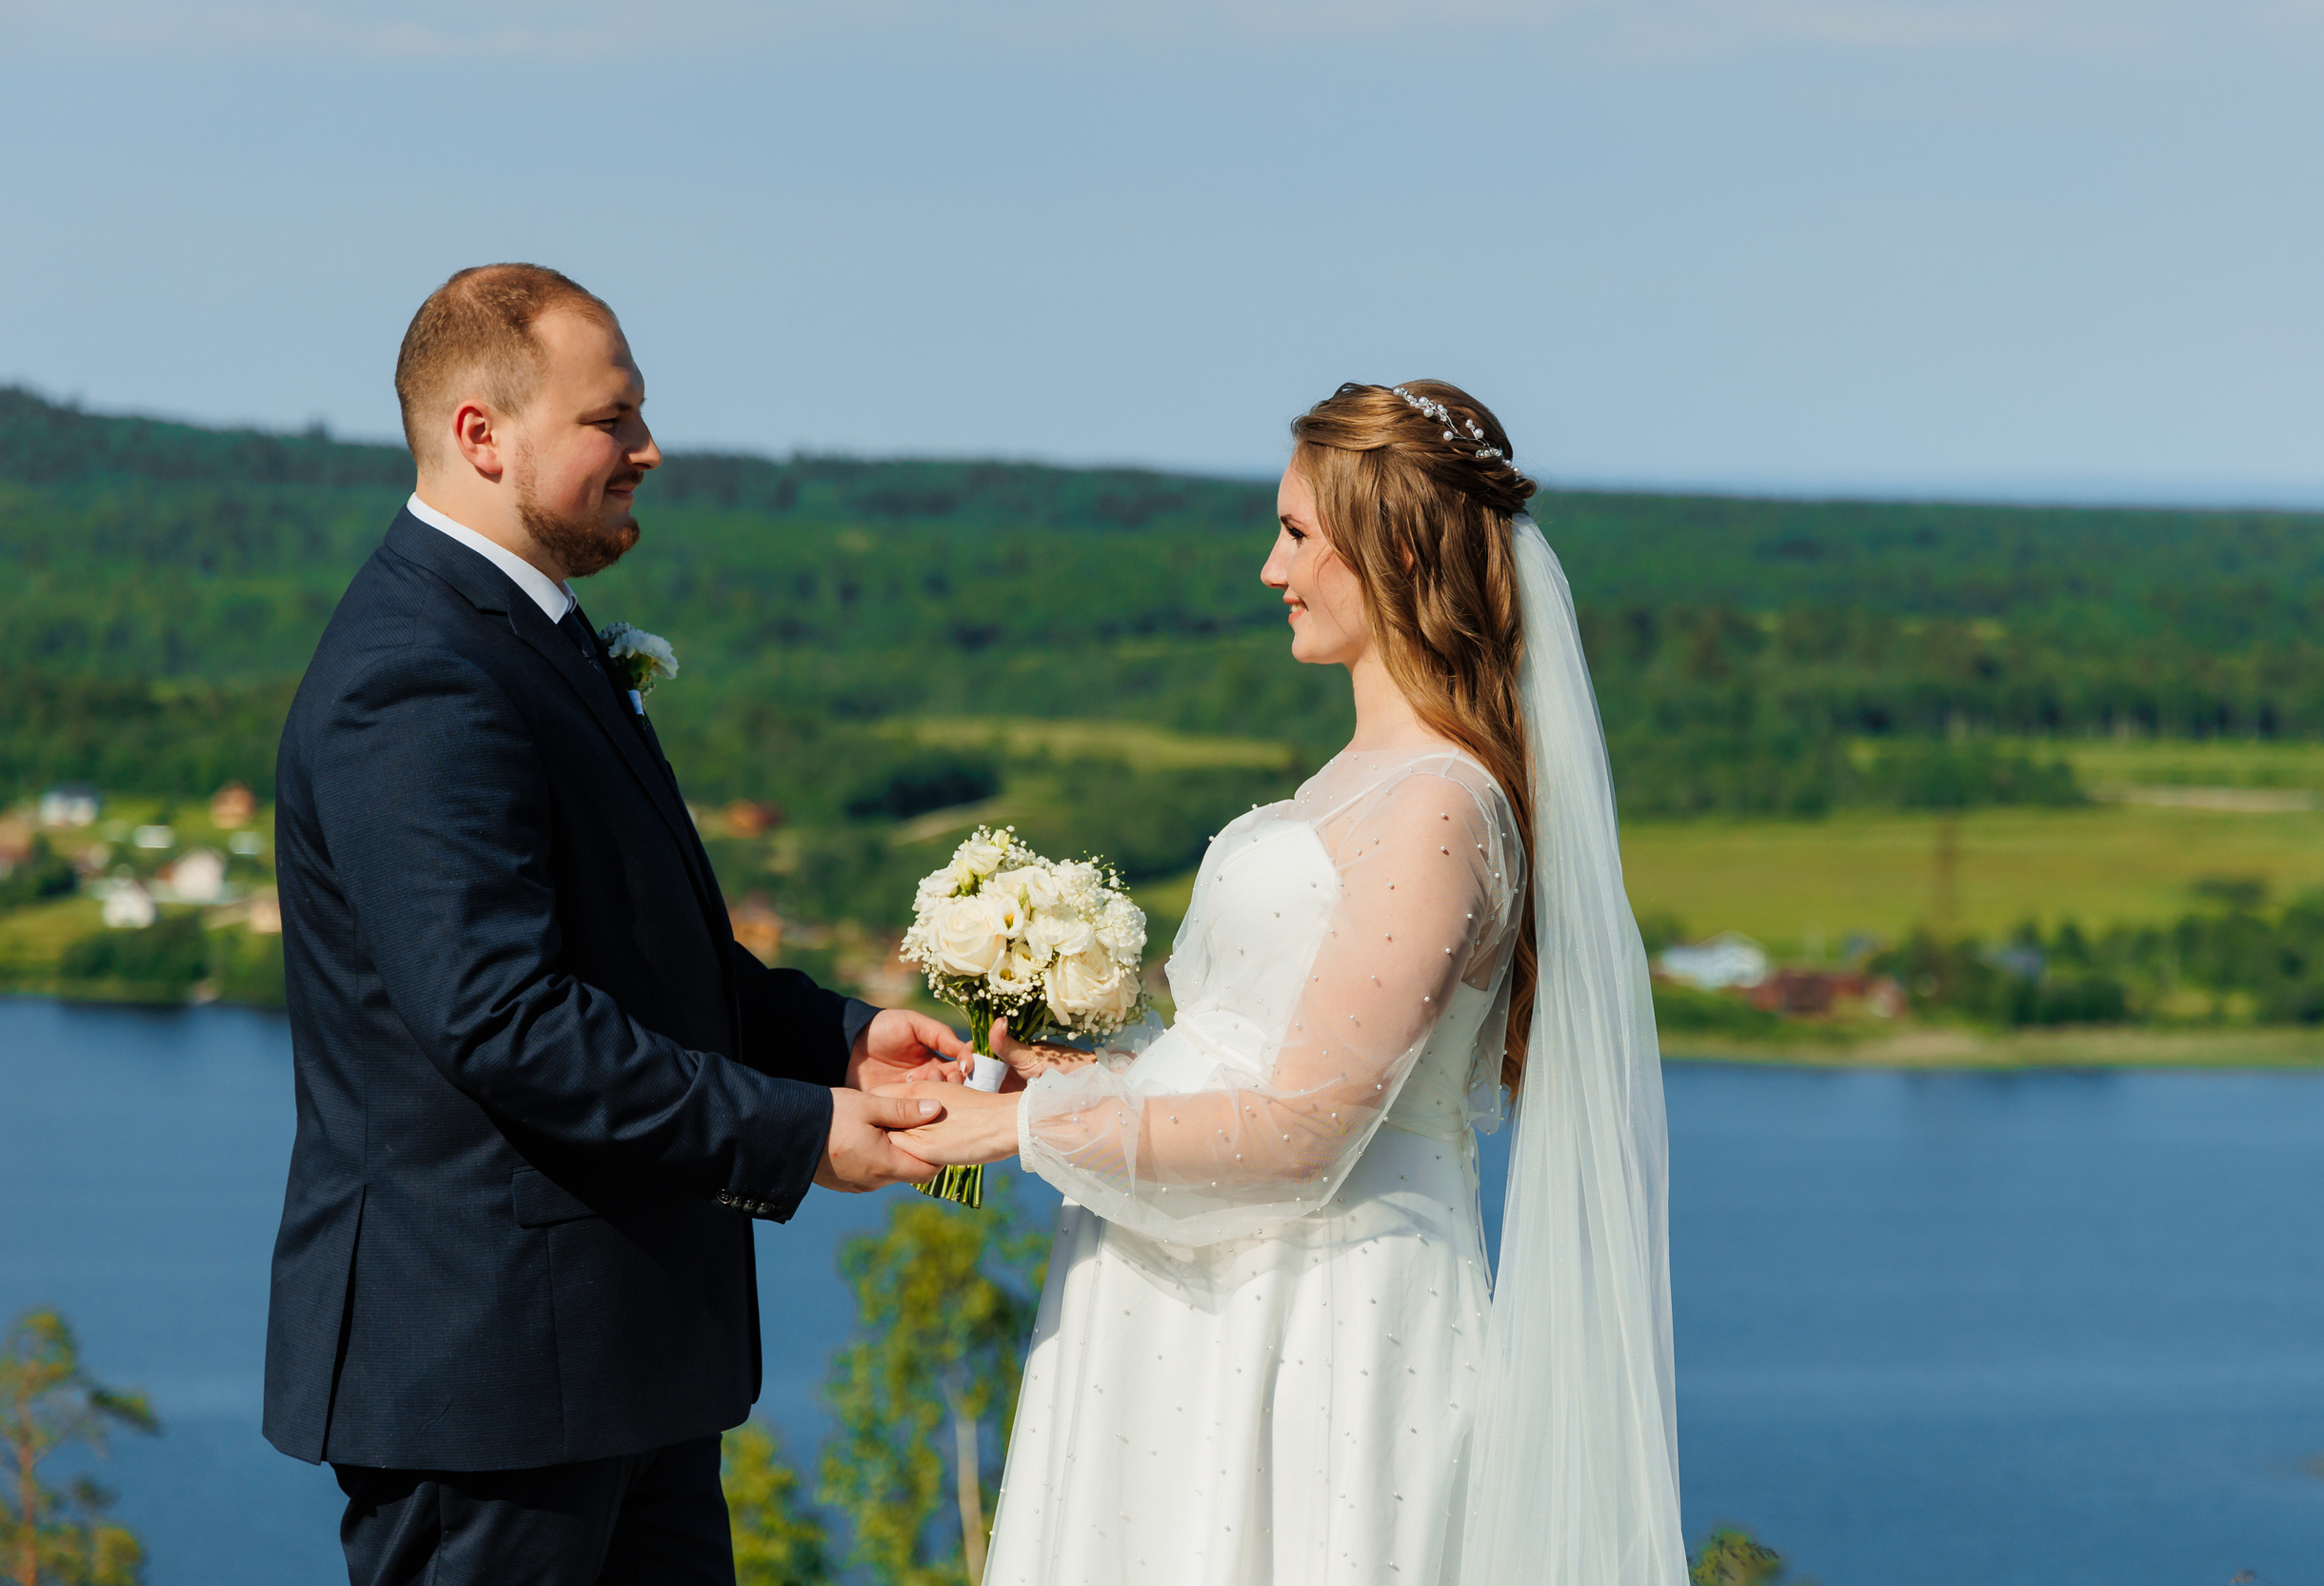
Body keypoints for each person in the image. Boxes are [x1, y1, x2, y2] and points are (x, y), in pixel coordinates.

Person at [896, 381, 1689, 1584]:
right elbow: (1263, 1055)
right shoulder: (1355, 778)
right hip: (1198, 1294)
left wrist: (1019, 1121)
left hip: (1320, 1330)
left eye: (1298, 534)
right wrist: (1095, 1070)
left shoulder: (1435, 805)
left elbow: (1307, 1131)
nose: (1272, 569)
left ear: (1400, 547)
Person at [264, 263, 966, 1585]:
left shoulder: (529, 638)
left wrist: (844, 1040)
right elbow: (505, 1019)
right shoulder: (414, 672)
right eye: (613, 419)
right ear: (483, 433)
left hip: (619, 1365)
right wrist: (802, 1132)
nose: (652, 448)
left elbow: (648, 962)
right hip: (490, 1384)